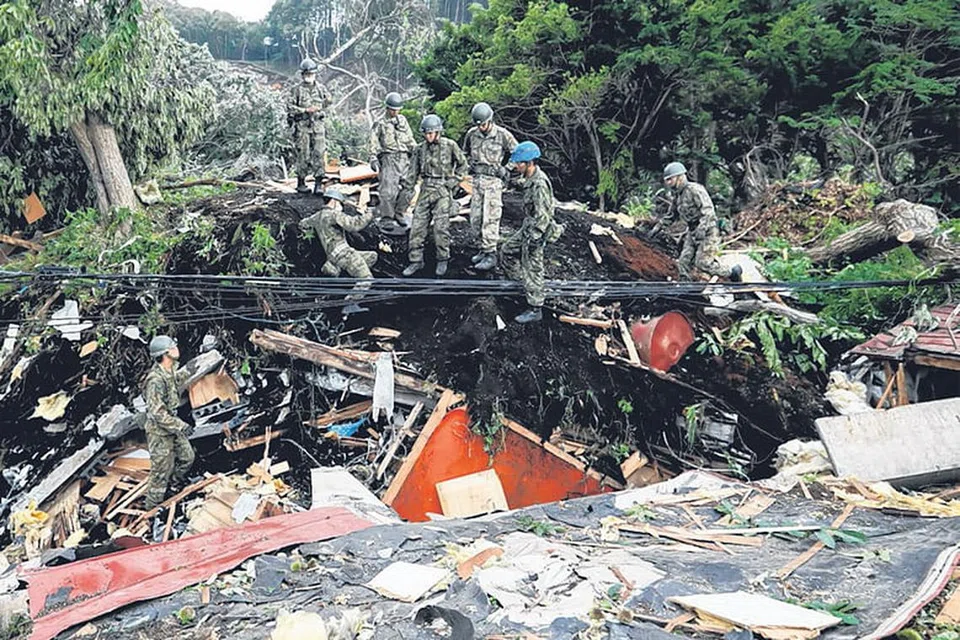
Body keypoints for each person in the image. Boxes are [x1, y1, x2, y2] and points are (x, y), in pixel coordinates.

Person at [401, 114, 467, 277]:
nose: (429, 136)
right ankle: (416, 260)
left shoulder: (450, 145)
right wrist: (407, 190)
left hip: (443, 189)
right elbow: (413, 171)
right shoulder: (419, 149)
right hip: (425, 189)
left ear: (438, 132)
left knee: (440, 228)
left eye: (431, 133)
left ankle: (443, 258)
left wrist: (452, 183)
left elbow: (463, 166)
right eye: (426, 133)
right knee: (417, 226)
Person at [500, 141, 557, 324]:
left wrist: (535, 238)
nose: (517, 166)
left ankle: (535, 308)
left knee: (533, 267)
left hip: (536, 230)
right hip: (528, 226)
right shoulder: (530, 178)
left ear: (529, 162)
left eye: (519, 163)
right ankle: (521, 283)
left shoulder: (540, 184)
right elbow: (523, 184)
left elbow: (544, 216)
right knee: (507, 250)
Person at [651, 162, 740, 280]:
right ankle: (686, 286)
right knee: (683, 263)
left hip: (708, 231)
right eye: (667, 180)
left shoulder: (695, 190)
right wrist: (657, 228)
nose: (668, 183)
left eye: (670, 179)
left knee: (702, 263)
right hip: (692, 231)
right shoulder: (678, 196)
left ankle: (732, 272)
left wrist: (702, 228)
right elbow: (671, 215)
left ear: (680, 177)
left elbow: (708, 211)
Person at [462, 102, 518, 272]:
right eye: (479, 125)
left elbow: (517, 151)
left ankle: (491, 253)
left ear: (490, 120)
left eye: (484, 124)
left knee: (490, 218)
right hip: (477, 181)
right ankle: (482, 248)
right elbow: (464, 153)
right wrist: (468, 166)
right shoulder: (472, 134)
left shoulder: (502, 135)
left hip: (493, 182)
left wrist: (507, 168)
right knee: (476, 218)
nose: (481, 127)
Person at [143, 336, 195, 509]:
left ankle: (173, 487)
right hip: (159, 432)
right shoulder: (155, 380)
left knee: (187, 457)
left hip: (172, 426)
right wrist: (180, 425)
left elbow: (174, 380)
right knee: (160, 473)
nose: (177, 349)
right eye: (173, 347)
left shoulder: (169, 369)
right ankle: (151, 511)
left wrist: (189, 371)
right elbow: (157, 413)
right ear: (165, 353)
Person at [299, 188, 377, 279]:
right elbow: (354, 225)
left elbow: (302, 224)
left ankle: (347, 274)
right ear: (334, 201)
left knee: (372, 256)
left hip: (332, 256)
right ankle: (357, 285)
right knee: (367, 279)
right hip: (344, 254)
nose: (342, 207)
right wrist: (369, 214)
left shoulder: (316, 217)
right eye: (340, 203)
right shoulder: (334, 215)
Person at [370, 92, 417, 227]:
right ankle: (387, 217)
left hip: (404, 157)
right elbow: (373, 141)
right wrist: (373, 157)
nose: (395, 112)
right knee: (388, 190)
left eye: (397, 110)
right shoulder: (380, 123)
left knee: (409, 187)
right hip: (389, 157)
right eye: (393, 110)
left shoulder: (402, 121)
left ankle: (399, 212)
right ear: (387, 108)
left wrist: (416, 152)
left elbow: (410, 138)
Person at [287, 58, 332, 194]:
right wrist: (305, 110)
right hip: (303, 127)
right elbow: (289, 107)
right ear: (302, 75)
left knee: (319, 153)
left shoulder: (321, 89)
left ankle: (318, 184)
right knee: (303, 154)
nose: (309, 76)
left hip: (318, 126)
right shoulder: (296, 90)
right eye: (306, 74)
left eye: (311, 73)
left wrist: (319, 108)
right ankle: (301, 183)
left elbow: (329, 101)